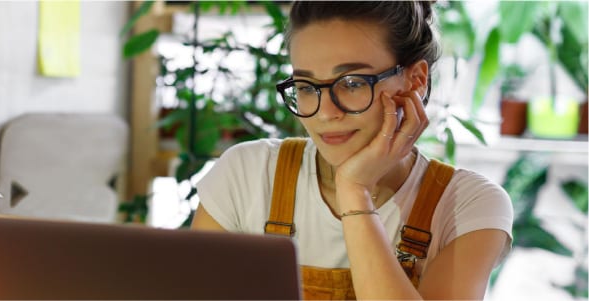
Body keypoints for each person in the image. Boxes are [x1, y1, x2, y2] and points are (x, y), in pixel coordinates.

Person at [191, 1, 513, 300]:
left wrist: (354, 192)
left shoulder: (467, 206)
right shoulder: (246, 176)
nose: (326, 113)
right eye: (306, 87)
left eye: (352, 83)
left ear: (415, 81)